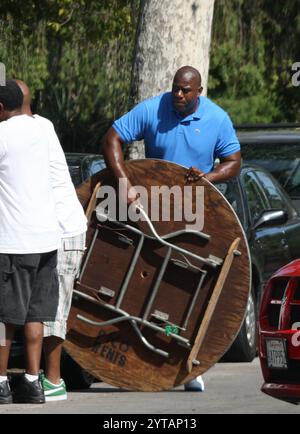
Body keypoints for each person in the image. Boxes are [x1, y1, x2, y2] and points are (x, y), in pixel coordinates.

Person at [102, 65, 241, 392]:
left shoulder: (217, 119)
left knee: (186, 286)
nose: (178, 95)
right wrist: (125, 184)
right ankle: (136, 361)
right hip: (155, 208)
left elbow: (234, 162)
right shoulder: (153, 108)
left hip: (196, 212)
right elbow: (111, 139)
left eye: (186, 91)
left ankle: (189, 366)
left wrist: (210, 176)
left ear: (199, 92)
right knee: (144, 282)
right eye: (176, 88)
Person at [15, 80, 87, 402]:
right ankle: (34, 378)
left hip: (61, 229)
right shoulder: (39, 127)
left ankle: (53, 381)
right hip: (44, 229)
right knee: (38, 308)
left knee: (52, 310)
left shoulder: (34, 132)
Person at [0, 80, 61, 404]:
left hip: (13, 240)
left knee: (5, 317)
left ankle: (1, 384)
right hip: (46, 238)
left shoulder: (2, 135)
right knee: (35, 314)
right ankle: (33, 382)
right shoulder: (44, 129)